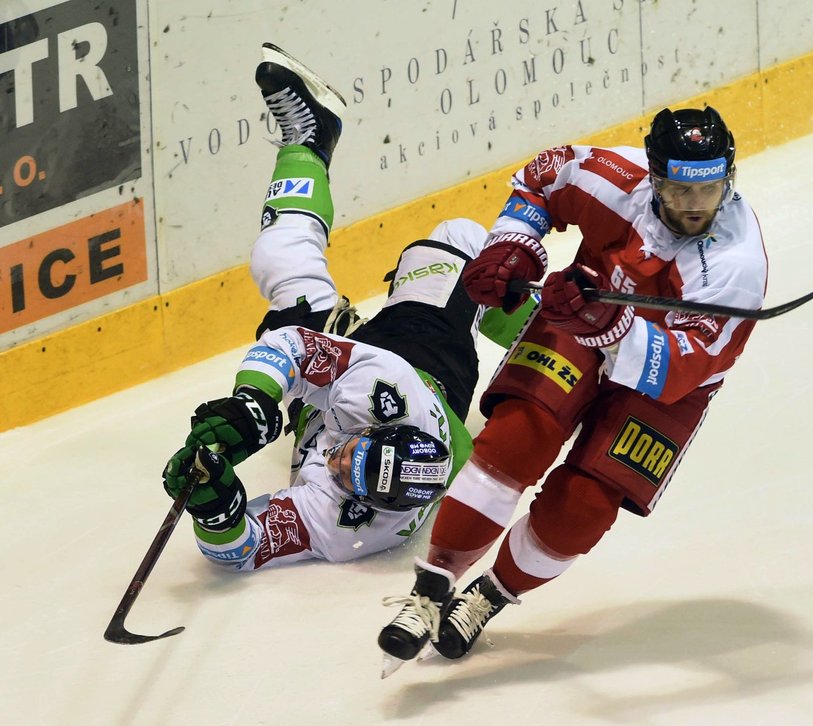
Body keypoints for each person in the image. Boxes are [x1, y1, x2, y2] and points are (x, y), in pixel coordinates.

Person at [377, 105, 769, 673]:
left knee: (583, 508)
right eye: (678, 188)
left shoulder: (735, 265)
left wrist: (611, 328)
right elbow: (541, 177)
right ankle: (432, 587)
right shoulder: (613, 178)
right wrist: (513, 246)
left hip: (667, 384)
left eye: (708, 190)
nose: (692, 205)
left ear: (727, 180)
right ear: (653, 176)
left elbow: (685, 365)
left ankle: (488, 597)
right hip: (578, 317)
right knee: (514, 440)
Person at [162, 44, 532, 571]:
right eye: (350, 453)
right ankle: (554, 339)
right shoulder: (388, 389)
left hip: (338, 390)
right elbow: (291, 350)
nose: (334, 462)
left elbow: (247, 549)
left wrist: (217, 512)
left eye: (343, 475)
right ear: (381, 425)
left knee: (279, 256)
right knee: (462, 237)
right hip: (421, 354)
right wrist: (253, 405)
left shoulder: (349, 528)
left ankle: (309, 140)